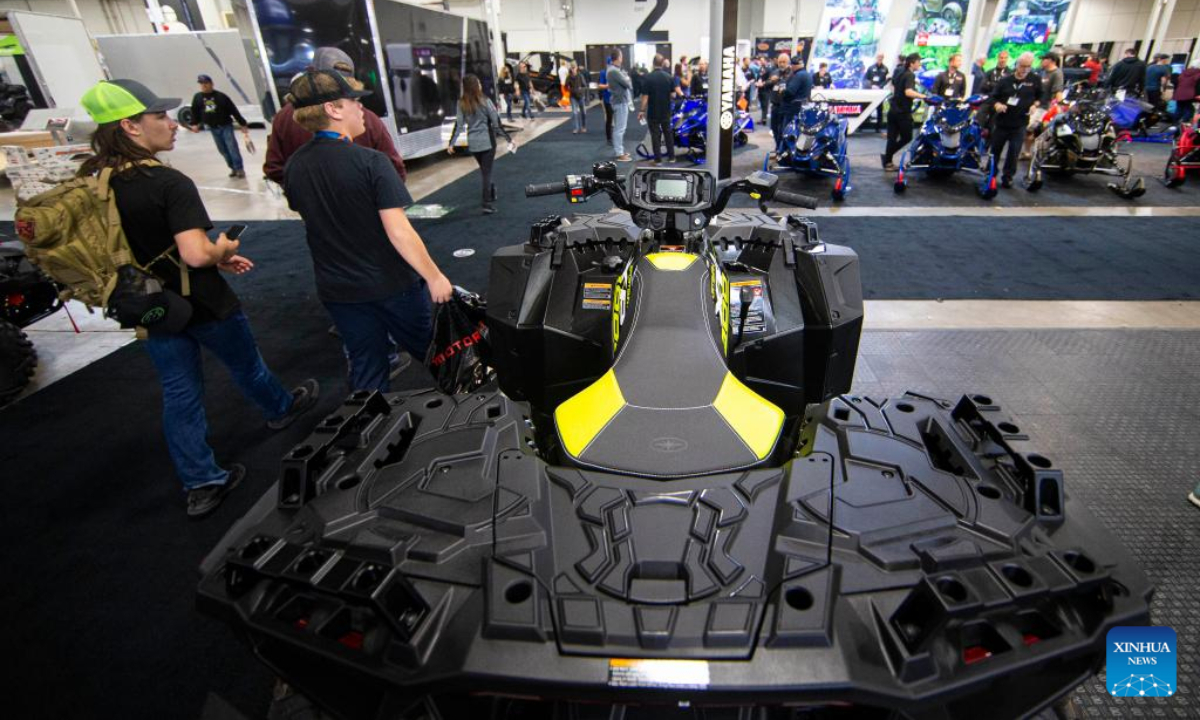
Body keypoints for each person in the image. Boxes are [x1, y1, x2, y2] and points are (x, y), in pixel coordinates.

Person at [78, 79, 318, 518]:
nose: (172, 124)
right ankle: (282, 408)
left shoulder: (96, 183)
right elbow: (194, 253)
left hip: (149, 306)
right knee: (246, 364)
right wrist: (222, 250)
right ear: (130, 126)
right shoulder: (166, 182)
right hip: (203, 302)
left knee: (179, 392)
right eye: (159, 116)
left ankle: (201, 482)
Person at [283, 69, 453, 394]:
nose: (361, 108)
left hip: (339, 290)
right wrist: (434, 277)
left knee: (367, 370)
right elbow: (399, 232)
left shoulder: (294, 166)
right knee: (440, 356)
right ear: (333, 109)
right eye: (354, 101)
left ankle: (371, 423)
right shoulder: (372, 162)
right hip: (392, 285)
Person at [264, 47, 406, 187]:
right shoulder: (366, 118)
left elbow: (273, 167)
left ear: (310, 73)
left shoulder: (284, 117)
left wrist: (305, 192)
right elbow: (395, 171)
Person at [448, 74, 515, 214]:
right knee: (486, 173)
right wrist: (509, 139)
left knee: (485, 170)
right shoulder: (485, 101)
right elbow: (496, 123)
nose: (480, 85)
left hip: (473, 144)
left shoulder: (461, 103)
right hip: (487, 142)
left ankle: (492, 190)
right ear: (475, 86)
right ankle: (486, 203)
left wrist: (451, 143)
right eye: (478, 83)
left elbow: (459, 125)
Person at [987, 52, 1043, 188]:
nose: (1025, 69)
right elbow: (993, 97)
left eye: (1028, 66)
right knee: (995, 150)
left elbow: (1040, 96)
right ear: (1017, 65)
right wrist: (997, 105)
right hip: (1002, 121)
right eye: (1022, 66)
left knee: (1014, 152)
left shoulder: (1035, 80)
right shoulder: (1005, 80)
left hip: (1020, 122)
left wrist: (1035, 105)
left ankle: (1008, 177)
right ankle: (991, 173)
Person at [187, 74, 250, 178]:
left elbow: (233, 110)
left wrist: (242, 124)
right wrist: (194, 124)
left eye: (206, 83)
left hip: (226, 126)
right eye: (201, 84)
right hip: (213, 128)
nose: (204, 86)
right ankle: (233, 168)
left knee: (232, 147)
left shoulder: (221, 97)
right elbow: (195, 111)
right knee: (223, 150)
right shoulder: (198, 97)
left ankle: (239, 168)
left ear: (212, 84)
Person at [882, 53, 927, 171]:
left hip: (893, 109)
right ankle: (887, 157)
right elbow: (908, 92)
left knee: (892, 138)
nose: (920, 64)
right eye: (918, 62)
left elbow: (894, 84)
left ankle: (888, 162)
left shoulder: (899, 70)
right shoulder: (910, 75)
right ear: (912, 63)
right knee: (907, 137)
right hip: (903, 112)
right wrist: (923, 96)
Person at [638, 55, 675, 164]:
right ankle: (672, 157)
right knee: (668, 133)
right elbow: (673, 95)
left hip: (653, 111)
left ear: (653, 63)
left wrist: (642, 110)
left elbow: (645, 97)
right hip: (666, 110)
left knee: (655, 134)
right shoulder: (669, 77)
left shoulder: (648, 78)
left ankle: (658, 160)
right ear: (662, 63)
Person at [777, 56, 813, 151]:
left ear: (794, 65)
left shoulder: (798, 76)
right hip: (802, 107)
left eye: (792, 65)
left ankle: (783, 151)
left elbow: (790, 91)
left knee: (787, 131)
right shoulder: (807, 74)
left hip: (792, 108)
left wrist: (782, 91)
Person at [606, 50, 633, 161]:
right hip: (620, 102)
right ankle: (619, 153)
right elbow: (628, 84)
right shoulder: (614, 71)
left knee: (620, 128)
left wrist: (626, 77)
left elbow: (627, 82)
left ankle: (620, 150)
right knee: (619, 129)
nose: (622, 58)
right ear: (618, 58)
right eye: (621, 56)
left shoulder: (614, 70)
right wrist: (627, 78)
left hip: (619, 101)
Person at [765, 53, 793, 151]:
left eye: (784, 62)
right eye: (780, 62)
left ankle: (782, 149)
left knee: (783, 129)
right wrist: (771, 81)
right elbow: (766, 85)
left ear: (788, 62)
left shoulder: (792, 74)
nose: (781, 64)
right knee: (774, 128)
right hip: (775, 105)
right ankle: (778, 147)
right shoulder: (775, 72)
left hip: (786, 106)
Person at [864, 53, 890, 132]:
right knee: (868, 107)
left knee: (880, 109)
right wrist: (871, 85)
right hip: (871, 91)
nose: (880, 58)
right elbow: (866, 79)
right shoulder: (871, 68)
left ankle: (878, 127)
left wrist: (880, 86)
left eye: (881, 57)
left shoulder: (885, 69)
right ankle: (864, 125)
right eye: (879, 57)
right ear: (876, 57)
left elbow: (887, 79)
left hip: (879, 92)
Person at [1173, 60, 1200, 124]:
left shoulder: (1184, 72)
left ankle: (1175, 123)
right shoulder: (1198, 74)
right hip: (1190, 94)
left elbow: (1177, 81)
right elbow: (1198, 85)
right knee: (1189, 109)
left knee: (1179, 108)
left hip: (1179, 92)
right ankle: (1184, 123)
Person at [567, 62, 588, 134]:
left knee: (583, 112)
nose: (573, 69)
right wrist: (568, 88)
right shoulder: (569, 77)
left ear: (576, 68)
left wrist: (581, 89)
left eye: (574, 68)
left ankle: (583, 126)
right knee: (574, 113)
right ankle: (576, 128)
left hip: (580, 96)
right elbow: (566, 86)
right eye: (572, 68)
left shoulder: (580, 76)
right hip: (573, 96)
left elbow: (584, 86)